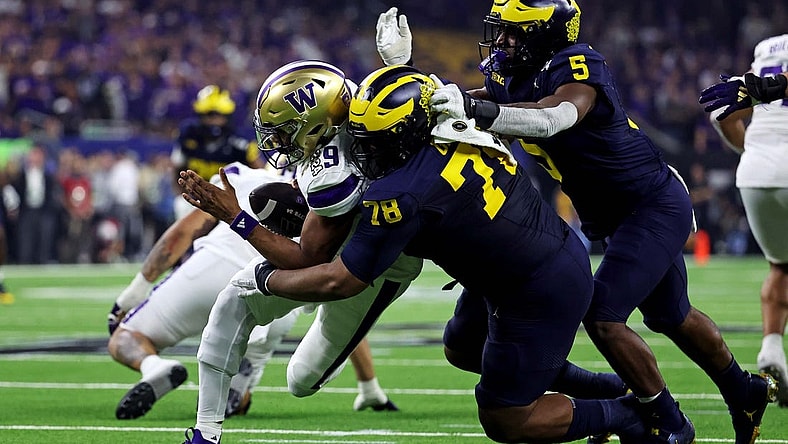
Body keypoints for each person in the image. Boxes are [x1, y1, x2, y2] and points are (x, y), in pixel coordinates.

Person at [376, 2, 776, 442]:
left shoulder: (577, 64)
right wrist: (406, 74)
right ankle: (745, 390)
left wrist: (477, 111)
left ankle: (666, 419)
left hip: (651, 203)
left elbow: (554, 117)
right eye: (502, 30)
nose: (504, 40)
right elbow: (454, 112)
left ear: (546, 33)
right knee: (671, 315)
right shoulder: (511, 73)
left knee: (604, 315)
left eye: (515, 31)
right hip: (610, 213)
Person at [222, 63, 661, 444]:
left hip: (533, 281)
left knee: (504, 417)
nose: (366, 150)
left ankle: (626, 416)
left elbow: (336, 276)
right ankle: (606, 388)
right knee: (463, 348)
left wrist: (262, 278)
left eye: (373, 142)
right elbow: (414, 99)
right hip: (519, 258)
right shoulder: (441, 125)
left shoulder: (399, 192)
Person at [177, 60, 420, 444]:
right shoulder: (346, 111)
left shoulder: (334, 173)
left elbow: (306, 260)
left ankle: (343, 353)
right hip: (333, 240)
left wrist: (234, 216)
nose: (275, 142)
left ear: (318, 123)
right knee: (234, 298)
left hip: (373, 270)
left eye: (286, 131)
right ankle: (206, 432)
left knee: (301, 380)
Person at [107, 162, 304, 420]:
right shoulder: (324, 196)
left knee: (125, 338)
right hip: (279, 289)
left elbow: (182, 233)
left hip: (214, 266)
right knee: (251, 358)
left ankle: (154, 366)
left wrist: (133, 293)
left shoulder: (244, 176)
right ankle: (238, 383)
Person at [699, 34, 788, 408]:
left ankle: (771, 348)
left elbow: (725, 114)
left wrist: (751, 147)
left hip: (755, 171)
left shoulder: (767, 50)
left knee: (780, 266)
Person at [170, 85, 265, 219]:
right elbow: (176, 168)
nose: (213, 121)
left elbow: (261, 175)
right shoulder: (188, 135)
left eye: (218, 116)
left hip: (228, 205)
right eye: (209, 115)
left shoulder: (240, 144)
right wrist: (180, 195)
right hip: (193, 200)